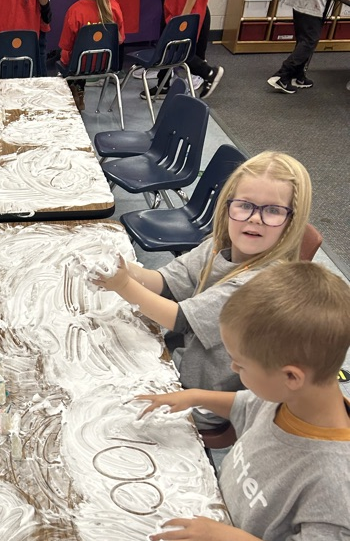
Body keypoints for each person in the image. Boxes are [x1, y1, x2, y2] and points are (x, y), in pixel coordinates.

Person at [139, 262, 350, 541]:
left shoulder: (333, 476)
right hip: (219, 529)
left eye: (240, 365)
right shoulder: (287, 398)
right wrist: (194, 396)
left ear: (290, 376)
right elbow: (245, 404)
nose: (234, 370)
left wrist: (230, 540)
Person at [92, 152, 311, 427]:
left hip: (204, 399)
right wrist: (127, 269)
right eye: (245, 205)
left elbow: (180, 320)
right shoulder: (219, 246)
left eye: (273, 210)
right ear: (227, 206)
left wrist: (123, 285)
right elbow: (167, 282)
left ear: (291, 221)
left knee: (103, 414)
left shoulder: (262, 284)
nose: (255, 219)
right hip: (178, 360)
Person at [58, 0, 126, 111]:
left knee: (70, 55)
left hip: (79, 65)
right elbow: (120, 39)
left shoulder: (75, 11)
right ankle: (78, 90)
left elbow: (66, 46)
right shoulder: (114, 7)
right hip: (106, 64)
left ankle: (75, 89)